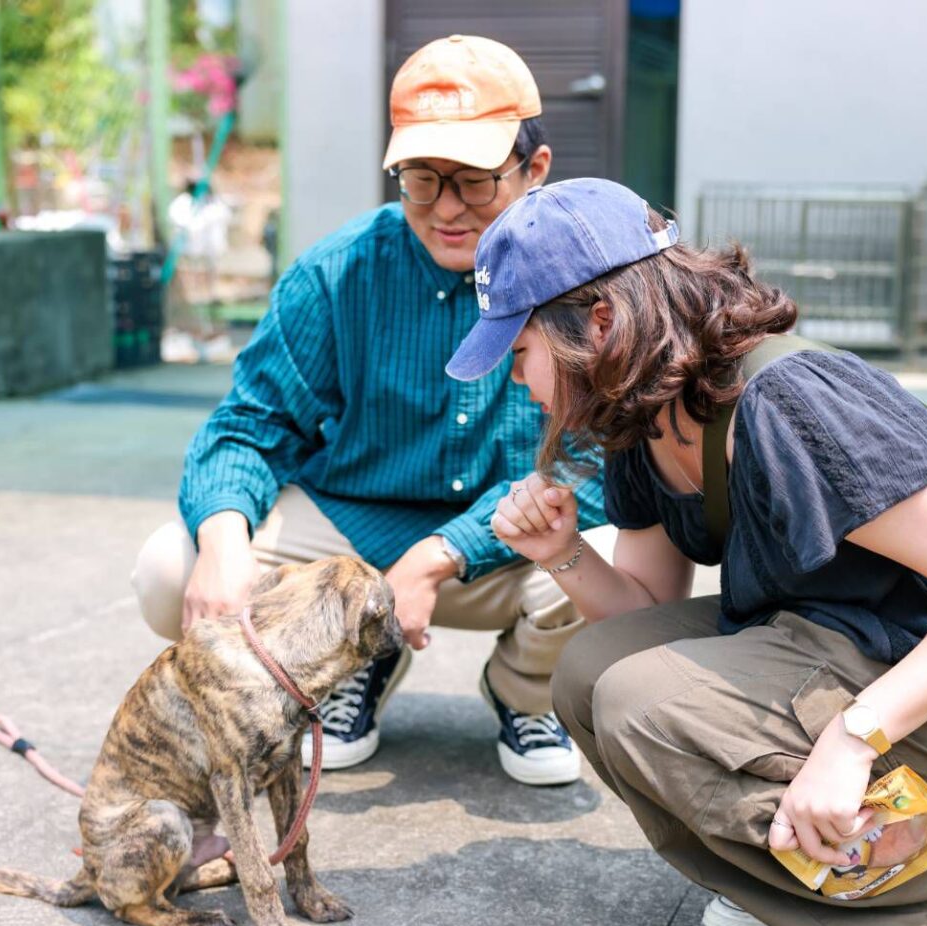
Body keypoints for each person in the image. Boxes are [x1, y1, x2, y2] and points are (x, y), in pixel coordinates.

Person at [444, 178, 927, 926]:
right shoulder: (641, 416)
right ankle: (794, 877)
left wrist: (851, 741)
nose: (518, 381)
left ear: (602, 324)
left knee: (646, 701)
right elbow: (645, 615)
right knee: (592, 671)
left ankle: (907, 900)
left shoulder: (789, 401)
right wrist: (561, 554)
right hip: (841, 646)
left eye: (519, 353)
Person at [131, 36, 607, 786]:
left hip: (508, 539)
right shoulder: (335, 271)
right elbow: (249, 427)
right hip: (344, 538)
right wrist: (225, 543)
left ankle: (525, 692)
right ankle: (357, 656)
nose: (447, 210)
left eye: (477, 182)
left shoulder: (583, 278)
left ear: (534, 169)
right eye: (422, 180)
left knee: (613, 555)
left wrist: (441, 554)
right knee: (172, 567)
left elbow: (593, 461)